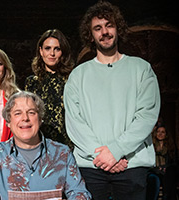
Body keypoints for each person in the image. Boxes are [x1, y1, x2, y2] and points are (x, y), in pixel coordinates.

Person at [63, 1, 161, 200]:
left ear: (118, 29)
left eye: (109, 25)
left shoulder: (141, 69)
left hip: (132, 164)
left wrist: (116, 151)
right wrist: (104, 156)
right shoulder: (78, 75)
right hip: (91, 166)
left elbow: (146, 116)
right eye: (97, 28)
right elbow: (74, 122)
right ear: (90, 35)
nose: (104, 32)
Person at [0, 91, 92, 200]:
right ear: (8, 122)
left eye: (31, 112)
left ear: (40, 119)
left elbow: (79, 192)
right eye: (18, 113)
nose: (25, 118)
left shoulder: (62, 153)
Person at [25, 29, 74, 148]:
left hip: (67, 145)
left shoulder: (71, 81)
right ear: (41, 51)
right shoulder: (31, 82)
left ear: (63, 52)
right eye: (47, 48)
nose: (52, 53)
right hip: (38, 145)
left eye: (57, 49)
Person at [147, 125, 178, 200]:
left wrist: (165, 167)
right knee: (153, 179)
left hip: (167, 171)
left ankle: (166, 197)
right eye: (158, 132)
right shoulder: (151, 146)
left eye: (163, 132)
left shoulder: (171, 147)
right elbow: (147, 162)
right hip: (154, 170)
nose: (160, 134)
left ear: (166, 134)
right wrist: (157, 169)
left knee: (170, 173)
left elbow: (175, 162)